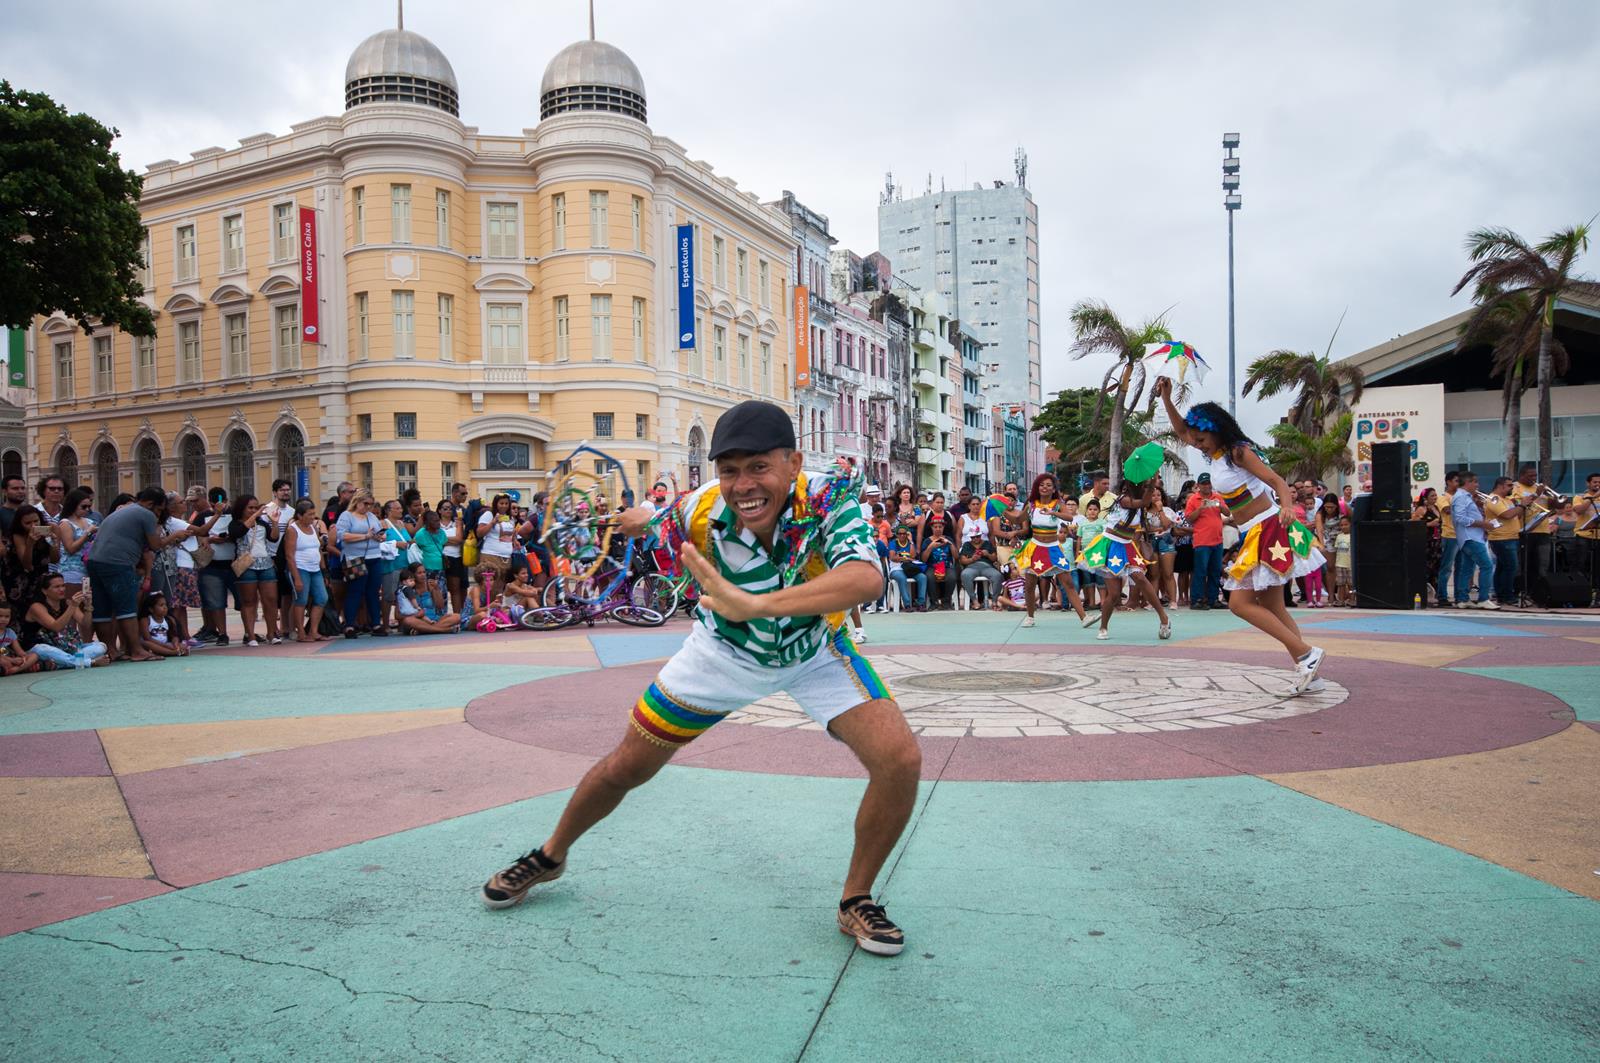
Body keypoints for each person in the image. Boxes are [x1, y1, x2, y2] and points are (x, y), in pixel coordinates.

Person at [480, 400, 920, 957]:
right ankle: (550, 855)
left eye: (758, 467)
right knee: (626, 766)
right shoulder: (703, 507)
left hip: (814, 650)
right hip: (721, 654)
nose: (743, 485)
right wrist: (632, 517)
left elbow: (865, 578)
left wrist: (758, 605)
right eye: (729, 470)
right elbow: (657, 516)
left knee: (900, 760)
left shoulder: (829, 497)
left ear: (793, 463)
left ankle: (855, 898)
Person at [1157, 379, 1325, 690]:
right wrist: (1167, 398)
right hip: (1253, 531)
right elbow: (1181, 431)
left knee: (1238, 604)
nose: (1197, 444)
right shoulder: (1217, 455)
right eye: (1195, 440)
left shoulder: (1238, 452)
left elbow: (1277, 481)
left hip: (1267, 527)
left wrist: (1288, 506)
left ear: (1216, 430)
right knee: (1274, 607)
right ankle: (1308, 669)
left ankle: (1306, 654)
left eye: (1201, 439)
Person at [87, 486, 199, 662]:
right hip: (118, 563)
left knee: (103, 609)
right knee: (127, 608)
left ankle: (110, 650)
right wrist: (174, 536)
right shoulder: (145, 513)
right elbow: (155, 545)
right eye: (159, 510)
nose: (158, 514)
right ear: (150, 504)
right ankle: (137, 651)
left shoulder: (123, 511)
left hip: (95, 561)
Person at [1077, 479, 1172, 641]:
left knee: (1140, 578)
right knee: (1114, 594)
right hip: (1110, 545)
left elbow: (1145, 515)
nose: (1128, 489)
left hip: (1127, 546)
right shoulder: (1123, 500)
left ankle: (1164, 619)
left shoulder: (1140, 507)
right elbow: (1144, 501)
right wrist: (1152, 484)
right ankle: (1103, 627)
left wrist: (1158, 507)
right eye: (1126, 487)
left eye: (1143, 486)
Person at [1012, 474, 1087, 629]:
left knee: (1068, 583)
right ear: (1037, 487)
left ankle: (1084, 618)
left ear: (1053, 489)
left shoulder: (1058, 503)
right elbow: (1018, 519)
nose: (1044, 487)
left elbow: (1069, 517)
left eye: (1048, 485)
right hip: (1035, 547)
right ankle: (1030, 617)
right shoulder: (1032, 504)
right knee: (1030, 585)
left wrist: (1053, 513)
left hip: (1053, 547)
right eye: (1041, 485)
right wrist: (1002, 510)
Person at [225, 495, 281, 647]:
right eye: (250, 508)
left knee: (270, 599)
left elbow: (273, 538)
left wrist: (275, 523)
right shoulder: (235, 524)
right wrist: (255, 515)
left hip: (266, 563)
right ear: (242, 509)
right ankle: (250, 635)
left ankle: (272, 633)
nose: (254, 510)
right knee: (249, 601)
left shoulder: (262, 523)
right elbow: (239, 532)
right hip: (246, 565)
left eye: (256, 507)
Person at [22, 574, 108, 669]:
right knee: (43, 649)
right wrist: (72, 606)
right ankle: (89, 662)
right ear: (44, 591)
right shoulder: (36, 607)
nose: (62, 589)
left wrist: (88, 605)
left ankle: (62, 662)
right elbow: (56, 627)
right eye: (56, 587)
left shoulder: (68, 603)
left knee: (101, 646)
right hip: (40, 647)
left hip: (65, 648)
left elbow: (85, 624)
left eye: (63, 585)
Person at [335, 489, 385, 637]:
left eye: (371, 504)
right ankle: (350, 624)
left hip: (374, 556)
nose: (368, 507)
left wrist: (380, 536)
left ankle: (375, 623)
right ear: (357, 502)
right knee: (355, 591)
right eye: (366, 503)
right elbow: (342, 535)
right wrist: (365, 536)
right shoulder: (347, 516)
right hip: (354, 557)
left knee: (373, 591)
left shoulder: (371, 516)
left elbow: (379, 532)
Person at [284, 500, 330, 643]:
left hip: (315, 568)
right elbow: (289, 555)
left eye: (313, 514)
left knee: (322, 598)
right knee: (301, 600)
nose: (313, 517)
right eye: (309, 514)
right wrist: (296, 577)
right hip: (300, 568)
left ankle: (313, 631)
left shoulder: (313, 528)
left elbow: (318, 549)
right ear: (300, 515)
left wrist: (324, 571)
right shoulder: (292, 530)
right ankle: (301, 632)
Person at [1450, 473, 1497, 610]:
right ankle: (1483, 598)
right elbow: (1460, 518)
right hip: (1470, 538)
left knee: (1467, 569)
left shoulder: (1464, 497)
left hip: (1471, 537)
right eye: (1475, 482)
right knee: (1487, 566)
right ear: (1467, 483)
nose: (1477, 485)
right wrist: (1483, 524)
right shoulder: (1461, 497)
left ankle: (1463, 599)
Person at [4, 506, 61, 612]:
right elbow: (28, 566)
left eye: (36, 521)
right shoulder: (18, 535)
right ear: (20, 524)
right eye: (28, 523)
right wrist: (30, 543)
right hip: (19, 579)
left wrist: (54, 543)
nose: (33, 526)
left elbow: (55, 560)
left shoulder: (51, 528)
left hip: (40, 577)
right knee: (20, 611)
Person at [1184, 474, 1228, 609]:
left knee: (1215, 571)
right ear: (1198, 485)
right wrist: (1200, 508)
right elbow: (1189, 519)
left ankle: (1212, 599)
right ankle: (1196, 599)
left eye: (1208, 483)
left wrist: (1220, 506)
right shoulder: (1193, 499)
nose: (1206, 486)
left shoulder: (1217, 497)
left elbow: (1227, 513)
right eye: (1203, 483)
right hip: (1202, 541)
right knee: (1200, 572)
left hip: (1217, 540)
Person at [1483, 477, 1527, 606]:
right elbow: (1507, 515)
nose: (1511, 488)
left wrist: (1521, 506)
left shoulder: (1507, 500)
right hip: (1501, 538)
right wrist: (1522, 505)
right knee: (1511, 567)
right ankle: (1507, 595)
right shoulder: (1494, 499)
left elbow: (1516, 515)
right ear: (1500, 486)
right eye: (1509, 485)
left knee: (1503, 567)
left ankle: (1501, 595)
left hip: (1511, 536)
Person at [54, 487, 97, 599]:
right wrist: (87, 533)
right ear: (73, 505)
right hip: (71, 571)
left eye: (89, 506)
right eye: (83, 506)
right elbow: (70, 549)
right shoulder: (65, 523)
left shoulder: (89, 522)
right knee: (73, 603)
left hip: (88, 570)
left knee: (86, 605)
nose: (87, 509)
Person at [397, 563, 461, 634]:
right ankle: (443, 630)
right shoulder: (404, 590)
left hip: (434, 620)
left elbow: (440, 606)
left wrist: (436, 589)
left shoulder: (430, 585)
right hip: (418, 621)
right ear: (413, 575)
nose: (423, 575)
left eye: (424, 572)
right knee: (408, 621)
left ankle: (424, 630)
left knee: (457, 616)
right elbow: (397, 615)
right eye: (419, 573)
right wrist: (417, 615)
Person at [1435, 470, 1462, 607]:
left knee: (1461, 568)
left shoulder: (1461, 496)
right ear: (1448, 482)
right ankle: (1442, 596)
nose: (1459, 483)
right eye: (1457, 481)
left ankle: (1460, 596)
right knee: (1446, 568)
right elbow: (1447, 510)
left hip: (1462, 535)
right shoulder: (1443, 497)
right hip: (1450, 535)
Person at [1411, 488, 1442, 603]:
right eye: (1432, 496)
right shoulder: (1421, 509)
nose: (1435, 498)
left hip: (1437, 542)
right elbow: (1414, 525)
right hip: (1427, 542)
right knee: (1427, 567)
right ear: (1425, 498)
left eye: (1435, 495)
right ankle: (1423, 593)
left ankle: (1436, 593)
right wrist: (1429, 524)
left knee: (1436, 568)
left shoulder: (1436, 508)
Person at [919, 516, 957, 610]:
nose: (938, 529)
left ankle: (946, 601)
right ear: (932, 528)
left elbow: (956, 556)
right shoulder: (927, 541)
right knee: (929, 577)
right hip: (932, 566)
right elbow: (923, 560)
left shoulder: (948, 539)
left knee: (952, 577)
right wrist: (930, 547)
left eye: (940, 527)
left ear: (943, 527)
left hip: (947, 566)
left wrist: (950, 544)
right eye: (935, 527)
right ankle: (934, 602)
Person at [959, 530, 1002, 608]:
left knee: (997, 576)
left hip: (987, 566)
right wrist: (972, 559)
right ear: (970, 537)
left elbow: (994, 558)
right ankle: (975, 601)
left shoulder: (987, 543)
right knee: (965, 575)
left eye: (977, 536)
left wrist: (988, 554)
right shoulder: (967, 544)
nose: (975, 538)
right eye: (973, 537)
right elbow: (962, 560)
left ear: (981, 535)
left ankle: (994, 601)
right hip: (971, 567)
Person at [887, 524, 926, 610]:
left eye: (904, 533)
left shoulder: (910, 543)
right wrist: (906, 558)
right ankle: (907, 604)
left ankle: (921, 603)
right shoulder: (893, 543)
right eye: (900, 534)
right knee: (902, 578)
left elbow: (913, 556)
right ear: (897, 534)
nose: (902, 535)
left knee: (922, 577)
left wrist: (911, 541)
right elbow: (893, 557)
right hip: (896, 569)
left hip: (909, 568)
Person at [139, 591, 187, 658]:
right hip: (153, 644)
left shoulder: (170, 619)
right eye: (161, 605)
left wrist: (175, 644)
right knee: (145, 643)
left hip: (166, 644)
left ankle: (166, 652)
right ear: (151, 609)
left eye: (165, 605)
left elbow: (174, 635)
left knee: (183, 645)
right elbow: (147, 638)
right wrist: (165, 646)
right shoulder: (146, 620)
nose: (165, 607)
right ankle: (172, 653)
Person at [0, 602, 42, 676]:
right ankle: (25, 668)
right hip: (4, 659)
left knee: (34, 655)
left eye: (7, 617)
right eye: (0, 616)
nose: (3, 619)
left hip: (10, 657)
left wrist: (23, 657)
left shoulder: (10, 632)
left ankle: (15, 670)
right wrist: (12, 660)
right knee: (5, 662)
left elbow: (19, 651)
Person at [1332, 515, 1354, 607]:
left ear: (1351, 524)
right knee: (1340, 584)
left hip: (1350, 564)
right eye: (1341, 525)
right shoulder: (1339, 536)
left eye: (1346, 524)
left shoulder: (1353, 536)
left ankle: (1352, 600)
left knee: (1351, 584)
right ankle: (1340, 600)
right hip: (1340, 564)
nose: (1343, 527)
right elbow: (1336, 550)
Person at [0, 473, 29, 538]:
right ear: (4, 492)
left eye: (23, 488)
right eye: (15, 488)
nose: (20, 491)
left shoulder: (32, 510)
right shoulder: (1, 513)